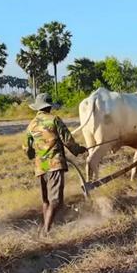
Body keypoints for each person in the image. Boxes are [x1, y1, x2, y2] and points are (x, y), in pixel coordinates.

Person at [23, 93, 87, 236]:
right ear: (49, 107)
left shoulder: (32, 124)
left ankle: (46, 228)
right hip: (54, 164)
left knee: (46, 200)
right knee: (56, 200)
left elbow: (27, 149)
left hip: (41, 166)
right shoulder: (54, 120)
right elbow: (68, 140)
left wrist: (33, 155)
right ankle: (46, 231)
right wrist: (79, 149)